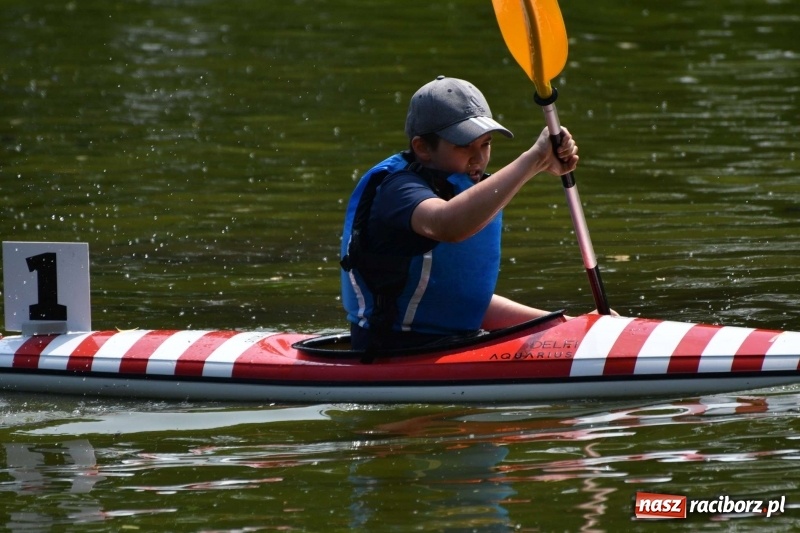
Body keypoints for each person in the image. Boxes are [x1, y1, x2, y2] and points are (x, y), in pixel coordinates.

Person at [340, 75, 581, 352]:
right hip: (391, 352)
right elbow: (446, 225)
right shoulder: (397, 190)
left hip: (451, 346)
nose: (478, 158)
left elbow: (465, 302)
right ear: (422, 148)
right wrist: (533, 159)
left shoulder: (465, 189)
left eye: (486, 144)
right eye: (464, 146)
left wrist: (568, 325)